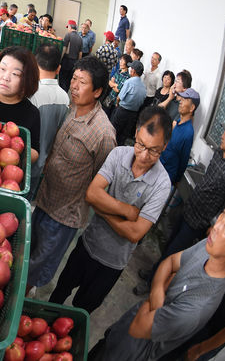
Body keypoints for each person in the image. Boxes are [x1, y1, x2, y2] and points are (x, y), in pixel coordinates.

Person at [49, 107, 172, 314]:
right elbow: (91, 194)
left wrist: (102, 210)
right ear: (136, 132)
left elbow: (135, 233)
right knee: (58, 295)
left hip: (113, 264)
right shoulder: (118, 154)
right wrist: (127, 211)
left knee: (82, 311)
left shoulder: (162, 184)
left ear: (165, 147)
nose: (143, 155)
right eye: (141, 145)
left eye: (153, 150)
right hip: (88, 245)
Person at [91, 199, 225, 361]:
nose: (215, 227)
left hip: (130, 354)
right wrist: (158, 296)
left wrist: (162, 284)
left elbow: (139, 327)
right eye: (222, 215)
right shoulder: (209, 248)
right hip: (120, 332)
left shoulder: (197, 307)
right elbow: (169, 262)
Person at [28, 56, 116, 292]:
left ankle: (24, 301)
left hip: (64, 215)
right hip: (45, 199)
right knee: (28, 253)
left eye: (82, 82)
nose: (74, 86)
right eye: (74, 79)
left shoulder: (103, 133)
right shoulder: (71, 107)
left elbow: (100, 181)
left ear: (97, 91)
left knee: (37, 267)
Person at [134, 119, 225, 296]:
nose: (223, 135)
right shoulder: (218, 153)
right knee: (169, 244)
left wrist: (213, 225)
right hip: (189, 207)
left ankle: (152, 284)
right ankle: (154, 272)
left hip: (200, 221)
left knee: (174, 253)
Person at [28, 44, 70, 194]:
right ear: (58, 69)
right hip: (41, 164)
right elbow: (60, 134)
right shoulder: (65, 98)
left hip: (20, 163)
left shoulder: (31, 93)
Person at [159, 88, 198, 186]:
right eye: (182, 98)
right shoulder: (177, 122)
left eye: (185, 100)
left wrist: (176, 180)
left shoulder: (188, 132)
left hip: (165, 176)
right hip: (158, 166)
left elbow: (183, 161)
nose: (180, 101)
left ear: (192, 108)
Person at [112, 60, 147, 145]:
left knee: (114, 132)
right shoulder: (144, 87)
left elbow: (119, 97)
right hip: (133, 115)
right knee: (123, 136)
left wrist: (117, 104)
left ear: (133, 71)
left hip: (122, 111)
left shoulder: (129, 82)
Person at [59, 20, 83, 92]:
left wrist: (60, 60)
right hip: (74, 62)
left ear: (70, 27)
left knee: (62, 79)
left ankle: (61, 96)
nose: (68, 29)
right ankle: (65, 95)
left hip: (66, 61)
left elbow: (64, 49)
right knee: (68, 80)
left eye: (68, 27)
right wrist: (78, 64)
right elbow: (80, 54)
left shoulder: (68, 35)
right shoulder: (80, 38)